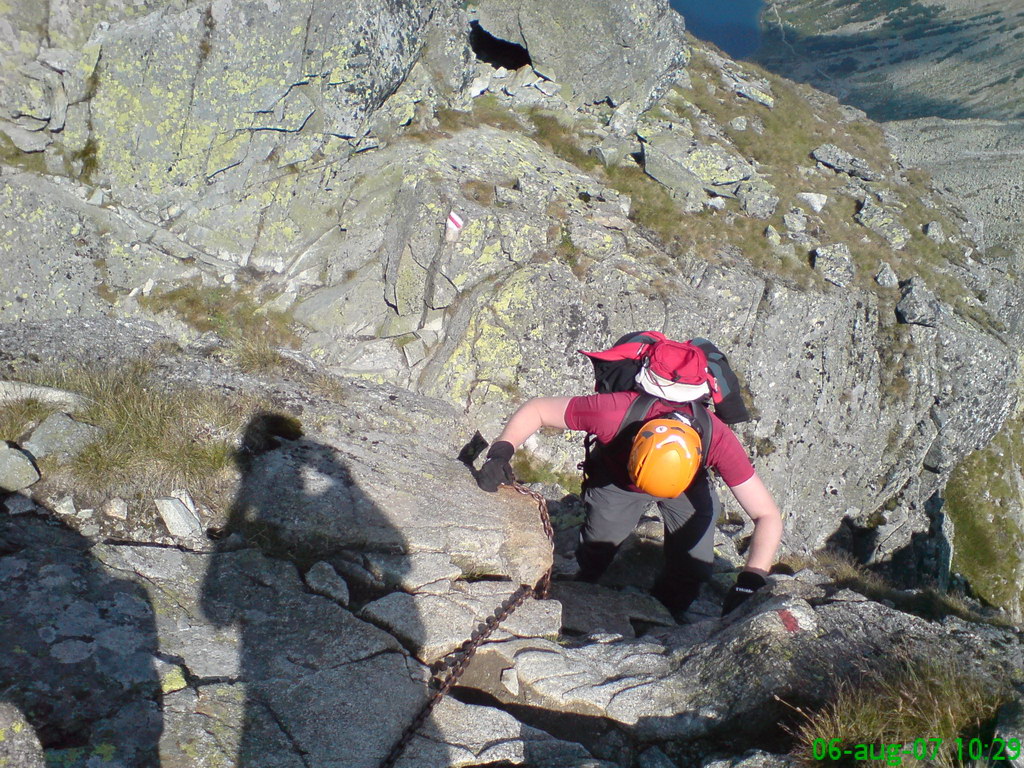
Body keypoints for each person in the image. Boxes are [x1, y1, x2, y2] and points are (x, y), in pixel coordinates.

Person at [476, 339, 783, 618]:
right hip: (619, 479)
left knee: (694, 566)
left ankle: (668, 610)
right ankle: (585, 581)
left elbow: (767, 514)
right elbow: (538, 410)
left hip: (686, 486)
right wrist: (500, 453)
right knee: (598, 547)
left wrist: (750, 579)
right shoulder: (614, 412)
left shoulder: (716, 437)